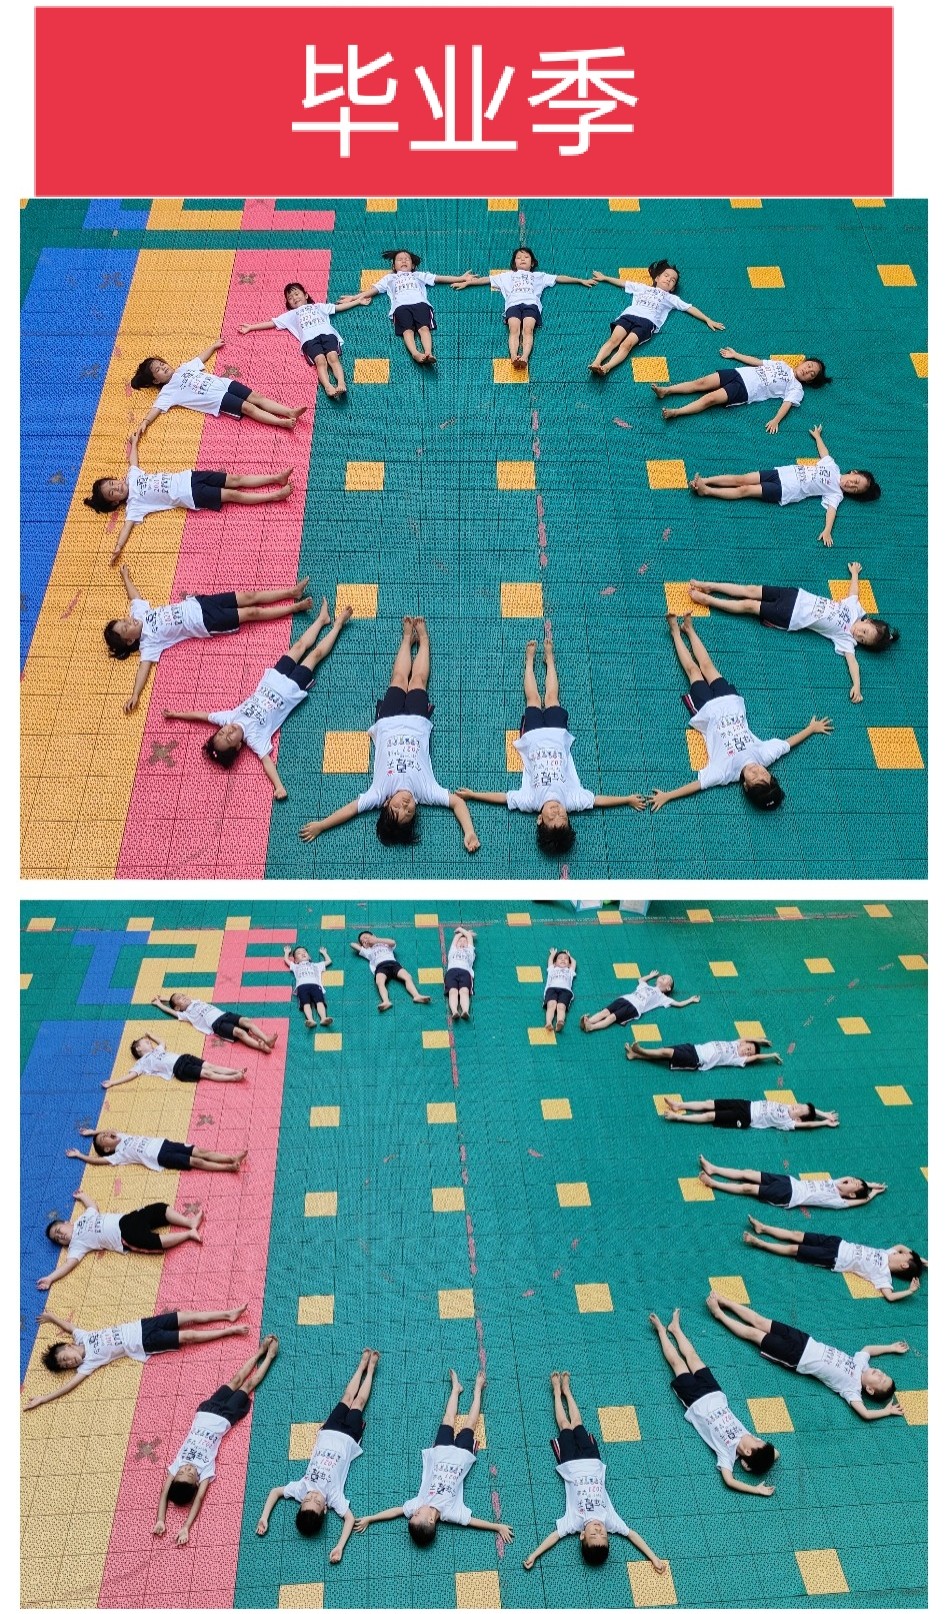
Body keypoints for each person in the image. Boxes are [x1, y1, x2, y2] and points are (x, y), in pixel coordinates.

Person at [299, 618, 480, 852]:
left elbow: (351, 809)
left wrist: (322, 825)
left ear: (385, 804)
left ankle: (406, 639)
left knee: (398, 679)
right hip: (416, 722)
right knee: (418, 681)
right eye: (408, 812)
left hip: (388, 721)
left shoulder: (379, 792)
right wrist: (469, 831)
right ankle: (424, 641)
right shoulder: (426, 792)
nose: (404, 805)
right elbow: (457, 803)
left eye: (396, 809)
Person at [456, 638, 645, 858]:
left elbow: (503, 798)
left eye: (551, 817)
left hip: (533, 736)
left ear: (539, 819)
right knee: (552, 697)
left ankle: (529, 662)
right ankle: (549, 659)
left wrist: (474, 794)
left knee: (533, 699)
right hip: (556, 735)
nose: (557, 812)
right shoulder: (572, 800)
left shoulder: (530, 801)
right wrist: (627, 799)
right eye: (562, 816)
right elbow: (598, 801)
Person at [163, 600, 352, 800]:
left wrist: (176, 714)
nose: (229, 731)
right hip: (291, 690)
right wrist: (278, 786)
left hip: (273, 678)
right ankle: (338, 625)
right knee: (315, 655)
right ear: (238, 746)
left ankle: (322, 620)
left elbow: (203, 716)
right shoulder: (254, 738)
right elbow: (266, 762)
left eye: (223, 732)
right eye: (229, 738)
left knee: (298, 645)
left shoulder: (229, 718)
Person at [648, 613, 832, 813]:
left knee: (693, 670)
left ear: (746, 786)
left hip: (707, 710)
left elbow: (698, 785)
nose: (757, 772)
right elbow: (788, 743)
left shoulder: (726, 773)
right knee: (707, 665)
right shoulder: (765, 756)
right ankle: (689, 630)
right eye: (764, 775)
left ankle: (675, 632)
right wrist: (811, 728)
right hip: (730, 702)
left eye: (755, 779)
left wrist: (668, 795)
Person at [105, 563, 313, 714]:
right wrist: (135, 695)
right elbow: (143, 669)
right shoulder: (149, 643)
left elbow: (134, 597)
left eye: (124, 620)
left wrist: (125, 576)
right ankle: (294, 608)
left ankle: (291, 592)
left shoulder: (139, 614)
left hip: (200, 603)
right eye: (125, 628)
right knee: (252, 613)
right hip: (206, 622)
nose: (129, 621)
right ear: (130, 641)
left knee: (250, 595)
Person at [687, 564, 898, 704]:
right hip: (795, 595)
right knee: (750, 589)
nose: (858, 634)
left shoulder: (847, 640)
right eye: (863, 631)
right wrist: (855, 574)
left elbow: (853, 664)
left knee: (749, 606)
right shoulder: (854, 608)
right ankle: (709, 586)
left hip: (790, 616)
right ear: (867, 620)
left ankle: (709, 600)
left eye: (862, 639)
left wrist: (857, 686)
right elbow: (854, 593)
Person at [351, 1369, 514, 1549]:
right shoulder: (450, 1513)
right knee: (470, 1424)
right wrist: (497, 1526)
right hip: (461, 1456)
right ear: (430, 1520)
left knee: (448, 1418)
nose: (414, 1512)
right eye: (417, 1515)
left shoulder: (419, 1504)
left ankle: (456, 1389)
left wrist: (370, 1518)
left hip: (440, 1453)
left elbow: (396, 1511)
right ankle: (477, 1390)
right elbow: (472, 1521)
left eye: (413, 1514)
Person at [522, 1371, 667, 1571]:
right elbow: (632, 1535)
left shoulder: (574, 1522)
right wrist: (654, 1557)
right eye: (603, 1535)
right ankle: (567, 1391)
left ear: (582, 1535)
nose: (598, 1530)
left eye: (593, 1534)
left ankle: (556, 1392)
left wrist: (534, 1555)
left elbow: (554, 1536)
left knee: (565, 1426)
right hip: (592, 1462)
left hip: (570, 1464)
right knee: (578, 1424)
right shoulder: (610, 1520)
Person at [84, 427, 294, 564]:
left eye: (112, 483)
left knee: (235, 479)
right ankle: (274, 496)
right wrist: (118, 547)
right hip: (190, 494)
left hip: (190, 476)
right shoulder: (134, 505)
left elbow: (133, 461)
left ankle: (276, 478)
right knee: (232, 495)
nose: (116, 487)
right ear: (115, 502)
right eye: (112, 492)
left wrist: (134, 442)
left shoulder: (132, 476)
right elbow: (126, 527)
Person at [254, 1348, 380, 1559]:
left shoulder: (300, 1489)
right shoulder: (334, 1498)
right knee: (358, 1403)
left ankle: (362, 1366)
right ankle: (372, 1369)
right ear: (325, 1509)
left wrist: (264, 1517)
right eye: (317, 1501)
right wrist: (340, 1546)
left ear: (301, 1503)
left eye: (307, 1500)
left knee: (346, 1397)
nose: (313, 1496)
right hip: (349, 1438)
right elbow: (349, 1519)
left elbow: (275, 1492)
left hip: (328, 1432)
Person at [706, 1292, 909, 1421]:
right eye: (883, 1373)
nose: (880, 1373)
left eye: (880, 1379)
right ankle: (725, 1301)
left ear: (870, 1389)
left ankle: (719, 1314)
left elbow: (864, 1413)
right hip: (805, 1340)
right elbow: (868, 1349)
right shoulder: (860, 1365)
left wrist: (886, 1411)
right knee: (761, 1321)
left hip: (796, 1357)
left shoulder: (852, 1389)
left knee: (754, 1334)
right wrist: (890, 1347)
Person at [155, 1336, 279, 1546]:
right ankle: (270, 1356)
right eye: (190, 1474)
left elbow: (163, 1492)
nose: (187, 1469)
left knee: (235, 1379)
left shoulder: (176, 1465)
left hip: (206, 1410)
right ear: (196, 1482)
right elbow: (199, 1499)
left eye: (183, 1471)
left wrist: (160, 1519)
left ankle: (260, 1352)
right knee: (247, 1385)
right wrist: (185, 1527)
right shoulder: (205, 1471)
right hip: (225, 1417)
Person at [648, 1309, 777, 1495]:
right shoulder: (748, 1438)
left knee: (677, 1363)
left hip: (694, 1400)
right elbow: (775, 1453)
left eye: (757, 1441)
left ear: (749, 1452)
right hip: (714, 1392)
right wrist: (753, 1463)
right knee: (693, 1356)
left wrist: (756, 1489)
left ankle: (661, 1330)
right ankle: (675, 1329)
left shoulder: (727, 1454)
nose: (757, 1438)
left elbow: (729, 1481)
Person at [690, 424, 881, 547]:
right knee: (742, 478)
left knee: (744, 490)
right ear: (853, 472)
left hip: (786, 490)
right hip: (782, 473)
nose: (851, 485)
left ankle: (707, 491)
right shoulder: (833, 467)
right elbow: (824, 453)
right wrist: (817, 436)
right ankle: (705, 480)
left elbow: (832, 511)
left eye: (855, 489)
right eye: (855, 481)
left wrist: (827, 530)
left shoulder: (836, 493)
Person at [23, 1305, 249, 1409]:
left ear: (69, 1346)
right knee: (188, 1336)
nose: (69, 1363)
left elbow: (69, 1326)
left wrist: (51, 1318)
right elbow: (68, 1387)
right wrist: (43, 1398)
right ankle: (229, 1331)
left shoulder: (82, 1337)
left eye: (64, 1358)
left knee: (187, 1315)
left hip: (143, 1325)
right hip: (144, 1343)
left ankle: (227, 1314)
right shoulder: (89, 1364)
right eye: (65, 1366)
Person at [454, 247, 594, 368]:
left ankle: (525, 357)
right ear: (514, 263)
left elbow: (559, 278)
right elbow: (487, 279)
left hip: (531, 304)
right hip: (513, 304)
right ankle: (514, 356)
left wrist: (580, 280)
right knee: (514, 329)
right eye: (519, 257)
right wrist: (468, 283)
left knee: (528, 330)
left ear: (532, 263)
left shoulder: (539, 276)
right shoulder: (507, 276)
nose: (522, 259)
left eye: (526, 257)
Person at [37, 1189, 203, 1290]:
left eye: (58, 1231)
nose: (60, 1236)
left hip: (127, 1220)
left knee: (159, 1208)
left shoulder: (82, 1218)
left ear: (66, 1222)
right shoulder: (76, 1245)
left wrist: (83, 1196)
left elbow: (92, 1207)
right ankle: (189, 1234)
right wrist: (50, 1278)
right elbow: (68, 1265)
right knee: (155, 1242)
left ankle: (189, 1222)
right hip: (124, 1237)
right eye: (57, 1239)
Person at [588, 259, 725, 376]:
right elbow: (624, 283)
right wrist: (605, 277)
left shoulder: (671, 298)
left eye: (673, 280)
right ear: (657, 278)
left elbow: (689, 308)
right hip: (629, 315)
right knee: (613, 340)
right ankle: (596, 362)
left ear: (672, 288)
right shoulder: (642, 288)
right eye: (666, 276)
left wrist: (708, 319)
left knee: (626, 345)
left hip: (647, 323)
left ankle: (607, 367)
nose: (669, 279)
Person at [130, 341, 307, 430]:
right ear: (156, 381)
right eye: (158, 370)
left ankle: (288, 411)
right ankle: (280, 422)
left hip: (223, 383)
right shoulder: (167, 392)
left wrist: (213, 346)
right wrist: (144, 423)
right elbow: (155, 409)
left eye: (162, 364)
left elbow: (200, 358)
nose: (163, 367)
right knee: (248, 408)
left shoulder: (183, 368)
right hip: (216, 399)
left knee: (257, 397)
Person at [238, 281, 371, 397]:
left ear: (306, 295)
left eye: (296, 294)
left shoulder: (318, 306)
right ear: (288, 303)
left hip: (327, 334)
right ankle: (328, 386)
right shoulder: (291, 314)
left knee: (333, 357)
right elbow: (272, 323)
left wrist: (357, 301)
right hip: (309, 340)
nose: (294, 298)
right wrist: (251, 327)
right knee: (320, 361)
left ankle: (341, 383)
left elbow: (338, 308)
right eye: (290, 298)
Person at [743, 1217, 926, 1301]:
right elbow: (901, 1246)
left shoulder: (883, 1275)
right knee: (797, 1235)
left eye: (903, 1256)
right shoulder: (888, 1253)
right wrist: (924, 1262)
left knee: (793, 1249)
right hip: (837, 1243)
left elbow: (890, 1296)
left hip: (834, 1258)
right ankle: (763, 1228)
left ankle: (759, 1243)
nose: (900, 1252)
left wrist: (909, 1291)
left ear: (903, 1264)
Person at [653, 349, 829, 428]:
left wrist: (776, 420)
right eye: (809, 366)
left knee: (709, 399)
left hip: (745, 390)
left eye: (812, 374)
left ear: (810, 381)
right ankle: (666, 390)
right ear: (804, 362)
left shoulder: (797, 388)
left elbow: (787, 404)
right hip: (738, 373)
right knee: (700, 383)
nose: (807, 370)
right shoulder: (782, 364)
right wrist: (736, 355)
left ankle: (676, 412)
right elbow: (758, 362)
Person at [354, 249, 473, 365]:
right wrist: (354, 298)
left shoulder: (418, 275)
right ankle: (415, 353)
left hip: (420, 304)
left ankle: (428, 353)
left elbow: (438, 278)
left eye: (407, 259)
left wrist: (461, 278)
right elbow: (374, 290)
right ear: (394, 266)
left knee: (424, 328)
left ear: (413, 265)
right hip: (400, 307)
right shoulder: (389, 278)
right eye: (400, 259)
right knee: (407, 331)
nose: (403, 261)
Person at [697, 1155, 886, 1209]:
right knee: (748, 1173)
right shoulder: (835, 1182)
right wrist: (868, 1184)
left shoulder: (837, 1201)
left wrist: (872, 1193)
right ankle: (714, 1169)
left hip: (789, 1196)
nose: (851, 1180)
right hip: (789, 1181)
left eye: (854, 1184)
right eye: (854, 1180)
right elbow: (847, 1177)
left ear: (851, 1194)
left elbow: (861, 1200)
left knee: (748, 1188)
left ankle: (714, 1184)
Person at [66, 1128, 246, 1173]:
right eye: (103, 1138)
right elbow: (98, 1160)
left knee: (200, 1151)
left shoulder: (122, 1135)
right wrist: (80, 1155)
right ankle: (229, 1167)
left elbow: (109, 1129)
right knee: (195, 1162)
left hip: (164, 1144)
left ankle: (231, 1157)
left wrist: (94, 1132)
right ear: (107, 1148)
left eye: (105, 1134)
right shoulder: (119, 1155)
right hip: (160, 1157)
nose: (106, 1134)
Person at [102, 1033, 246, 1088]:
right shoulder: (142, 1062)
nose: (149, 1043)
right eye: (146, 1042)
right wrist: (113, 1082)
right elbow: (131, 1075)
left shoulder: (157, 1050)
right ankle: (234, 1078)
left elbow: (162, 1041)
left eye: (149, 1041)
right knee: (206, 1073)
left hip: (184, 1057)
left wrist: (151, 1035)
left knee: (210, 1066)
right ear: (138, 1049)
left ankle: (235, 1070)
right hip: (178, 1069)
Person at [151, 991, 276, 1054]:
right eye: (180, 999)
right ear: (178, 1008)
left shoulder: (195, 1001)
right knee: (240, 1032)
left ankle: (267, 1039)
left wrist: (165, 998)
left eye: (183, 995)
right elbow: (171, 1010)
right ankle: (260, 1046)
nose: (183, 997)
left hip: (224, 1014)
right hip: (217, 1024)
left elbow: (176, 1001)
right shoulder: (185, 1014)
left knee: (246, 1020)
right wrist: (159, 1004)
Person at [580, 969, 698, 1034]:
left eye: (668, 979)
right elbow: (640, 979)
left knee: (611, 1017)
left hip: (634, 1008)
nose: (665, 976)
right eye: (664, 976)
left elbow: (678, 1004)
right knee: (604, 1012)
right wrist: (650, 975)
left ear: (668, 988)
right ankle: (588, 1021)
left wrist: (691, 1000)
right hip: (625, 998)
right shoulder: (646, 986)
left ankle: (591, 1027)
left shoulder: (662, 998)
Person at [351, 931, 431, 1013]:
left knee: (407, 977)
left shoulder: (384, 944)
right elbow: (352, 944)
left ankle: (416, 996)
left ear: (373, 936)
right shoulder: (367, 951)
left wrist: (376, 940)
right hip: (380, 967)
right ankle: (386, 1001)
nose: (365, 940)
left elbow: (392, 942)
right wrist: (363, 945)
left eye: (366, 937)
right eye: (363, 941)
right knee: (380, 982)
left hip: (393, 964)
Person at [659, 1098, 838, 1130]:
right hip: (746, 1104)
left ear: (797, 1119)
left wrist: (823, 1122)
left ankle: (679, 1117)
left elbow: (808, 1123)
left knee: (711, 1116)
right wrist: (824, 1114)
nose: (796, 1106)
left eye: (799, 1110)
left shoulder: (788, 1122)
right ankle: (679, 1105)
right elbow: (810, 1110)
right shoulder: (788, 1107)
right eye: (799, 1105)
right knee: (709, 1103)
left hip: (746, 1118)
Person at [626, 1037, 781, 1071]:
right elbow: (746, 1037)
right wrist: (760, 1041)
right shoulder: (735, 1043)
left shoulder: (736, 1059)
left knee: (666, 1053)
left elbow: (755, 1057)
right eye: (748, 1047)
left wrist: (771, 1055)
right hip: (694, 1047)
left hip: (696, 1059)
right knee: (663, 1052)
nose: (747, 1051)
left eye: (749, 1052)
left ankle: (641, 1050)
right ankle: (636, 1055)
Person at [283, 943, 334, 1029]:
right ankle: (310, 1020)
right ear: (296, 960)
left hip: (315, 985)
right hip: (302, 987)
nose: (302, 953)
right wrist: (287, 952)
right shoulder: (296, 966)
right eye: (299, 953)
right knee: (306, 1003)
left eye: (304, 952)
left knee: (320, 1002)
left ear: (309, 957)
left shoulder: (316, 965)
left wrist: (324, 953)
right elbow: (286, 960)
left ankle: (323, 1018)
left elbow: (329, 961)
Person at [444, 926, 475, 1020]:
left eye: (465, 941)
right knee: (452, 991)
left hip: (465, 972)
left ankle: (465, 1010)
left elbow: (469, 938)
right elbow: (455, 938)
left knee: (464, 991)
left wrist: (463, 931)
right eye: (460, 941)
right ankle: (454, 1011)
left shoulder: (469, 951)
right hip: (451, 972)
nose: (462, 942)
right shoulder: (453, 950)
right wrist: (462, 932)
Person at [544, 948, 578, 1033]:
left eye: (566, 959)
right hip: (552, 989)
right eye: (560, 958)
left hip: (565, 991)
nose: (563, 960)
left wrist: (569, 956)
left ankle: (560, 1021)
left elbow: (574, 962)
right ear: (555, 963)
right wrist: (553, 954)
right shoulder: (552, 969)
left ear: (569, 964)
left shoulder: (570, 971)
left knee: (561, 1007)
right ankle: (548, 1022)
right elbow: (550, 961)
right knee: (551, 1005)